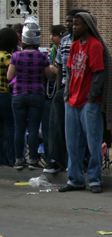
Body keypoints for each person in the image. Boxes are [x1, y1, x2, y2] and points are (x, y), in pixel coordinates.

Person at [59, 11, 112, 194]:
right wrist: (67, 95)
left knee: (93, 144)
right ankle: (75, 179)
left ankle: (94, 179)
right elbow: (68, 71)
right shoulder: (75, 45)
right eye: (73, 24)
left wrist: (91, 96)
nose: (73, 27)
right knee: (72, 144)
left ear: (87, 26)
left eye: (77, 24)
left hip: (89, 103)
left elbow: (99, 74)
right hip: (72, 101)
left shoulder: (95, 45)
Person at [7, 17, 56, 169]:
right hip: (37, 93)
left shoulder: (16, 56)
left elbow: (9, 76)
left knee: (19, 128)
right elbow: (48, 74)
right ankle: (33, 159)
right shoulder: (41, 56)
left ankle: (19, 159)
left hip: (19, 93)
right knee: (34, 128)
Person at [44, 9, 86, 174]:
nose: (69, 25)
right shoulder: (65, 41)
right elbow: (61, 66)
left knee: (81, 129)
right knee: (57, 126)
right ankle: (57, 160)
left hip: (82, 90)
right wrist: (59, 91)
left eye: (74, 22)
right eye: (68, 22)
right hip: (65, 88)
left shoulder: (89, 41)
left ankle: (81, 162)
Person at [42, 24, 66, 167]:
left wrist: (54, 70)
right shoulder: (51, 51)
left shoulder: (63, 51)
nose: (52, 38)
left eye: (54, 35)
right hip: (50, 91)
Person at [0, 27, 19, 166]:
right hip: (6, 95)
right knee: (12, 127)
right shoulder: (8, 57)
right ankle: (13, 158)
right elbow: (15, 73)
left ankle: (1, 160)